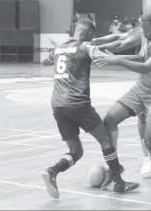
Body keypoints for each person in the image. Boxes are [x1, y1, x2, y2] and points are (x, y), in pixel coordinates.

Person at [41, 19, 139, 199]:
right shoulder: (85, 47)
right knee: (106, 141)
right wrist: (120, 58)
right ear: (89, 35)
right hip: (78, 104)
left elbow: (43, 62)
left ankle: (52, 171)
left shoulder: (60, 48)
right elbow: (99, 55)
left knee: (76, 152)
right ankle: (119, 182)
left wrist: (58, 51)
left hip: (57, 106)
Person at [94, 9, 151, 194]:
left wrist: (117, 61)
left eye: (146, 30)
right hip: (139, 90)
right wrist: (96, 49)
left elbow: (147, 66)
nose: (143, 33)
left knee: (150, 141)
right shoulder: (146, 32)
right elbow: (135, 53)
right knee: (108, 121)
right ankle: (114, 169)